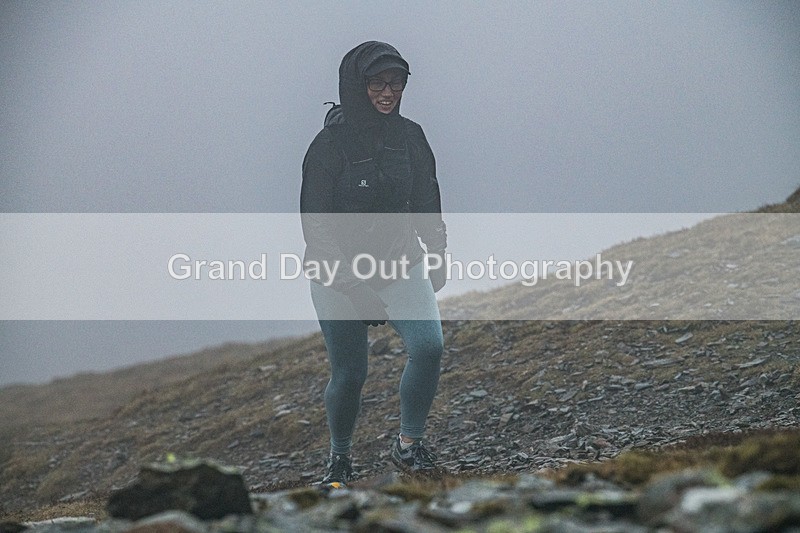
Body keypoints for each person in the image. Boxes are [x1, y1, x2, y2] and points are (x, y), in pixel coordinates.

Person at [300, 41, 448, 486]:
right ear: (356, 85)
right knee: (349, 374)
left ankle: (408, 445)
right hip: (338, 276)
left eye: (397, 83)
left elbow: (426, 197)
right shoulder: (328, 146)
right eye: (378, 84)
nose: (388, 93)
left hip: (400, 265)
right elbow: (316, 227)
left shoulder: (411, 136)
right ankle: (339, 459)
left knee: (429, 348)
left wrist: (437, 250)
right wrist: (353, 287)